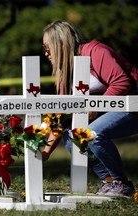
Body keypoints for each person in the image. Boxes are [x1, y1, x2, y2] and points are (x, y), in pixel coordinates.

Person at [41, 20, 137, 196]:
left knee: (93, 133)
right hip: (113, 108)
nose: (46, 53)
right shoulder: (66, 71)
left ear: (60, 43)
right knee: (70, 136)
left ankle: (122, 183)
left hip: (133, 106)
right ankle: (108, 181)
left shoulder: (96, 52)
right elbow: (62, 114)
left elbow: (122, 81)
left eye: (48, 47)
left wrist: (96, 107)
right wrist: (46, 151)